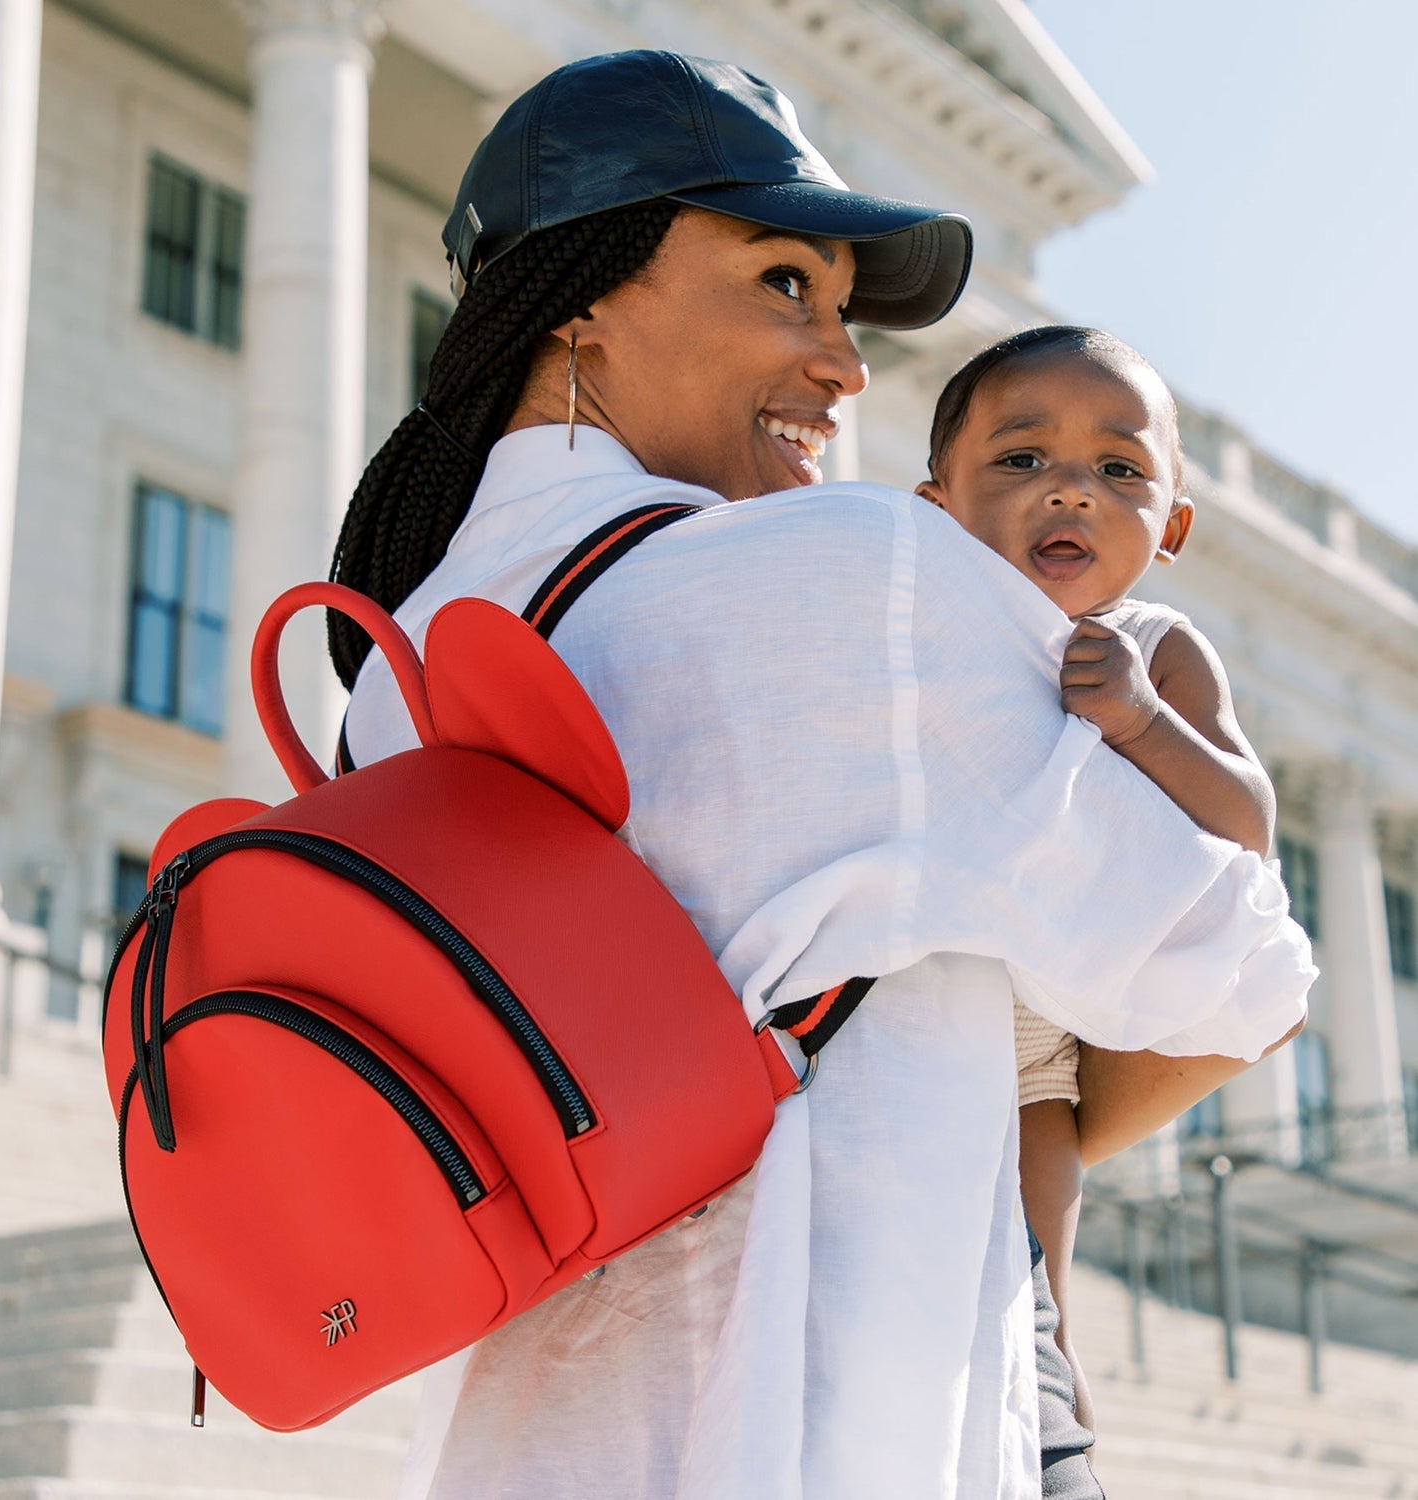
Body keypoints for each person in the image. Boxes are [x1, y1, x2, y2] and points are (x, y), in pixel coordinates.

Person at [332, 51, 1314, 1500]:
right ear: (581, 298)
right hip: (827, 1427)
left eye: (844, 312)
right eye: (786, 282)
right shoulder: (861, 585)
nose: (847, 366)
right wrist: (1022, 1088)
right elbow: (1240, 973)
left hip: (536, 1445)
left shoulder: (387, 668)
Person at [916, 323, 1278, 1446]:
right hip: (926, 979)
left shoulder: (1158, 646)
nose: (1069, 490)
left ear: (1169, 526)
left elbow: (1247, 826)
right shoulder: (927, 626)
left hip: (1049, 1018)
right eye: (1021, 460)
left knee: (1039, 1162)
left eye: (1118, 469)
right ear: (938, 509)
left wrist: (1142, 720)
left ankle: (1053, 1343)